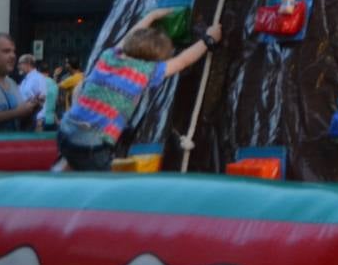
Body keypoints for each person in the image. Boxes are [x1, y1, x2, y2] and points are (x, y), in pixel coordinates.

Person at [56, 9, 222, 171]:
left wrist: (151, 16)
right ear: (156, 58)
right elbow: (182, 61)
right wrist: (208, 40)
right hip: (92, 144)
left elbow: (130, 35)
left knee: (70, 163)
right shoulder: (145, 72)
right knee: (103, 186)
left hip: (66, 131)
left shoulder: (110, 56)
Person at [17, 54, 49, 131]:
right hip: (23, 118)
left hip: (34, 120)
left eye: (20, 64)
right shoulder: (25, 80)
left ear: (28, 64)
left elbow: (43, 98)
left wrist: (40, 120)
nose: (18, 66)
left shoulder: (38, 78)